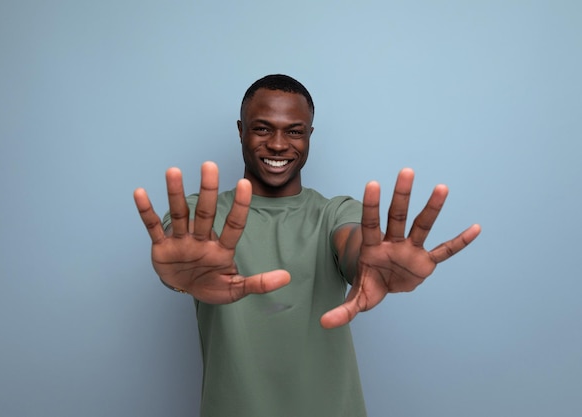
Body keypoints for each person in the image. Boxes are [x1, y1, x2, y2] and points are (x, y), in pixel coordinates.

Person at [133, 74, 481, 417]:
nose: (279, 144)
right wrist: (179, 277)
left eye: (294, 131)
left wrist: (368, 263)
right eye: (263, 128)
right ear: (241, 130)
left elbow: (354, 243)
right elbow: (178, 253)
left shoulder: (335, 212)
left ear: (310, 135)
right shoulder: (199, 218)